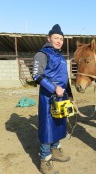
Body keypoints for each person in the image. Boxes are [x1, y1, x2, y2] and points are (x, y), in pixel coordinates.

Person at [32, 24, 72, 174]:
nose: (59, 41)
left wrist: (70, 95)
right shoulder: (42, 54)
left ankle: (55, 151)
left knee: (59, 124)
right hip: (48, 98)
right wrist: (53, 88)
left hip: (61, 98)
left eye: (61, 38)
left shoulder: (61, 57)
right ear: (49, 38)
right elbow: (36, 75)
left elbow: (65, 79)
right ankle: (44, 160)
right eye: (56, 38)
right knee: (47, 128)